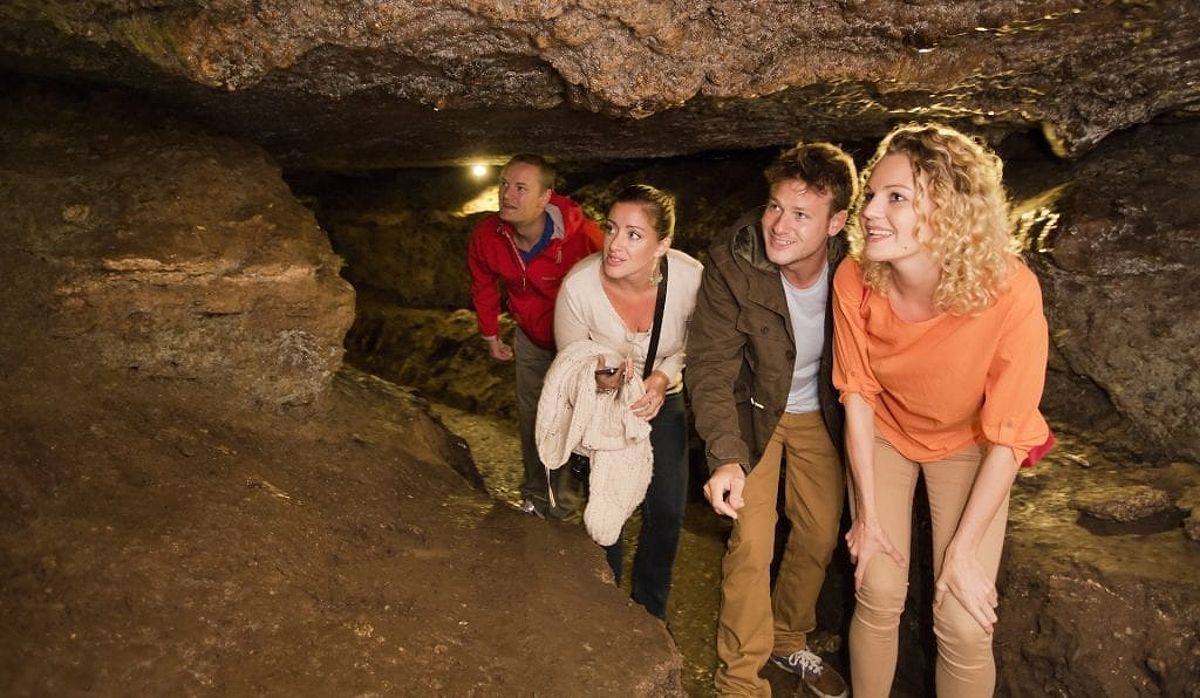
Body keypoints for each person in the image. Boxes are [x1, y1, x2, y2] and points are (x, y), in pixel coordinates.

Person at [832, 123, 1051, 697]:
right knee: (876, 585)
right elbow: (856, 395)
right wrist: (868, 517)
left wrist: (960, 552)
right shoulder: (855, 277)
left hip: (969, 443)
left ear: (950, 209)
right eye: (872, 195)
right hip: (885, 434)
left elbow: (1009, 436)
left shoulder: (1010, 290)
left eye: (896, 198)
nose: (871, 211)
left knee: (961, 616)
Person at [688, 142, 856, 698]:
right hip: (752, 414)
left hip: (823, 416)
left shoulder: (863, 266)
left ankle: (788, 639)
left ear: (838, 222)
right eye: (774, 206)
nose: (778, 226)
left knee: (817, 532)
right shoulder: (734, 260)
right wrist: (725, 455)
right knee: (751, 542)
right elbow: (711, 365)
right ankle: (739, 681)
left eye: (801, 214)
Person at [554, 184, 703, 620]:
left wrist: (662, 377)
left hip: (665, 400)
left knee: (667, 508)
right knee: (607, 504)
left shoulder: (691, 278)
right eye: (612, 228)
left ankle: (649, 613)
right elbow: (569, 365)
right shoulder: (579, 288)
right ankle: (605, 607)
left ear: (663, 246)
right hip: (602, 406)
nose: (615, 245)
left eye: (634, 235)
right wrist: (600, 382)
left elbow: (699, 341)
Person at [467, 154, 603, 518]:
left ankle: (570, 500)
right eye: (504, 185)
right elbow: (483, 282)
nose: (507, 195)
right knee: (533, 417)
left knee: (573, 419)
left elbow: (619, 280)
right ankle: (536, 495)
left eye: (521, 188)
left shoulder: (583, 238)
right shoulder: (488, 235)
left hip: (577, 344)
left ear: (545, 198)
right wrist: (490, 332)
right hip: (530, 337)